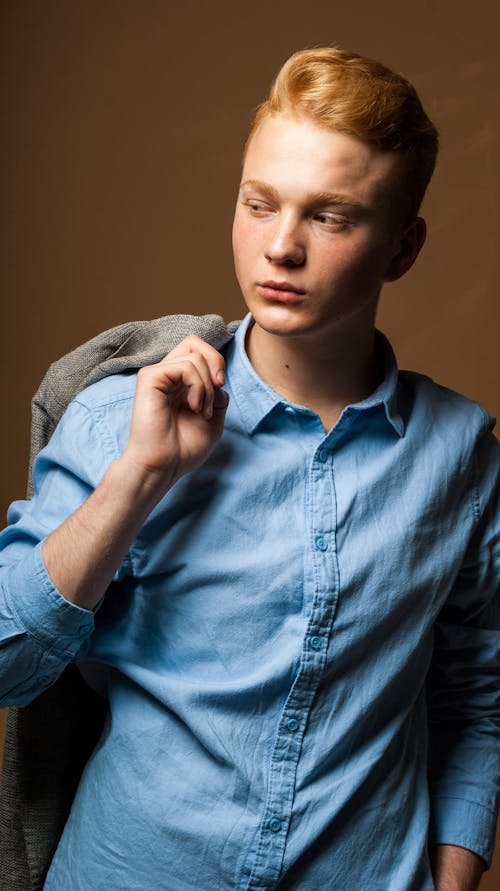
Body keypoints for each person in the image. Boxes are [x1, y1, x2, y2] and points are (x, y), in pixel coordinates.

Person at [0, 46, 498, 891]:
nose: (282, 247)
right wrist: (139, 477)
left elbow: (478, 695)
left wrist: (451, 877)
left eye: (330, 217)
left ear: (402, 247)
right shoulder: (116, 416)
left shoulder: (461, 454)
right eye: (258, 203)